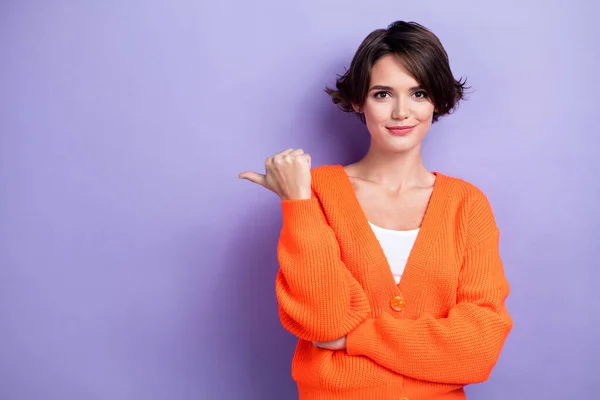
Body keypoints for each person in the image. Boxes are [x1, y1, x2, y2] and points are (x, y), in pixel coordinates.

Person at [239, 20, 512, 400]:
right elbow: (323, 321)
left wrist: (355, 337)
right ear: (358, 101)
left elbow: (479, 349)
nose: (402, 112)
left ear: (437, 101)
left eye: (418, 93)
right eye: (383, 94)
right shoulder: (316, 192)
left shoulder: (467, 205)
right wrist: (297, 204)